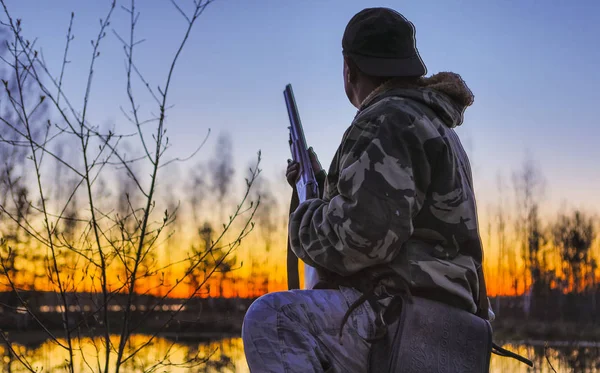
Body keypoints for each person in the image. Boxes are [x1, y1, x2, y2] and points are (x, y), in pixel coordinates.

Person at [242, 7, 492, 373]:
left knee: (272, 319)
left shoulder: (386, 118)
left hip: (402, 319)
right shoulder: (432, 123)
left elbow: (363, 238)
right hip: (448, 324)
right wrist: (318, 186)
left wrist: (303, 217)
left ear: (349, 69)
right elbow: (390, 212)